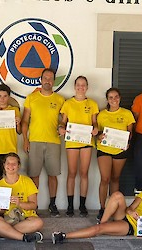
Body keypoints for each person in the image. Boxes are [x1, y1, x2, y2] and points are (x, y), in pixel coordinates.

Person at [52, 174, 142, 244]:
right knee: (117, 195)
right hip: (126, 216)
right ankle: (103, 223)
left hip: (133, 226)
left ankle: (64, 236)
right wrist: (131, 211)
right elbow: (129, 208)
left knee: (98, 229)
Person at [21, 68, 65, 217]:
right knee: (34, 175)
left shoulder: (60, 99)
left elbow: (64, 121)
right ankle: (34, 206)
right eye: (45, 78)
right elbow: (25, 121)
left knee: (53, 175)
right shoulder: (31, 98)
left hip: (54, 142)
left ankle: (52, 204)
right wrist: (25, 140)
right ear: (41, 80)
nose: (48, 80)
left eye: (50, 78)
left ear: (54, 81)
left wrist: (62, 127)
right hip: (35, 141)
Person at [58, 76, 99, 217]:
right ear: (75, 87)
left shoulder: (92, 104)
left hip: (87, 142)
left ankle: (82, 205)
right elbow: (63, 122)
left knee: (84, 174)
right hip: (72, 142)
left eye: (83, 85)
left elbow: (95, 123)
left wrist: (96, 129)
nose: (81, 87)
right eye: (78, 85)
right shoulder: (68, 104)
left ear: (87, 87)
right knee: (71, 173)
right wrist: (61, 129)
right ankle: (70, 205)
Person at [0, 153, 44, 242]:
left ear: (18, 166)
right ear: (4, 165)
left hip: (26, 218)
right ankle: (22, 236)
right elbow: (2, 211)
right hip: (8, 218)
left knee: (38, 223)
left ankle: (2, 233)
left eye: (14, 164)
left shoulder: (27, 181)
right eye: (8, 163)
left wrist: (19, 203)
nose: (11, 166)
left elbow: (33, 205)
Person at [95, 88, 135, 221]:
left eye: (116, 96)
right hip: (104, 150)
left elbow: (130, 133)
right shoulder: (101, 114)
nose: (113, 99)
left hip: (120, 150)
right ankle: (102, 208)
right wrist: (100, 136)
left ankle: (114, 207)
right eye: (111, 97)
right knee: (105, 179)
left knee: (115, 178)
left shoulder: (127, 113)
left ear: (120, 98)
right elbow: (98, 133)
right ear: (107, 100)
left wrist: (128, 142)